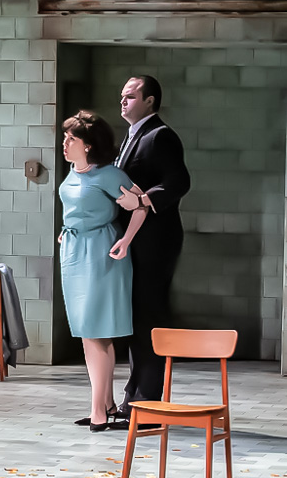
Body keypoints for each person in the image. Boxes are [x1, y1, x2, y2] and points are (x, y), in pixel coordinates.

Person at [57, 111, 147, 432]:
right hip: (73, 252)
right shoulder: (72, 172)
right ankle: (106, 404)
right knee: (87, 329)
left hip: (100, 252)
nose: (65, 143)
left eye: (72, 139)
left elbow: (141, 204)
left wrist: (126, 240)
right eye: (65, 137)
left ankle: (98, 410)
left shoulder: (109, 175)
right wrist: (67, 230)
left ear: (89, 145)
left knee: (96, 330)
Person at [112, 75, 192, 418]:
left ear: (150, 101)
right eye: (122, 96)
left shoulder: (160, 135)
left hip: (156, 242)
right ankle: (133, 398)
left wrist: (144, 200)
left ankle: (146, 402)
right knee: (138, 317)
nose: (123, 101)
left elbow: (179, 181)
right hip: (136, 242)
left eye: (130, 96)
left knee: (150, 316)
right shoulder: (132, 135)